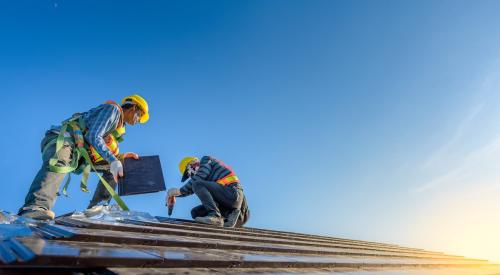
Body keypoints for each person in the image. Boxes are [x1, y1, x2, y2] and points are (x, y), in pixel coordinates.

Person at [18, 94, 150, 220]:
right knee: (59, 164)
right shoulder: (113, 110)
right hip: (63, 139)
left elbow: (101, 148)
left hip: (77, 150)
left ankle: (98, 209)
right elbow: (93, 135)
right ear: (134, 107)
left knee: (119, 166)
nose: (138, 120)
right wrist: (113, 160)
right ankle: (34, 207)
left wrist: (120, 158)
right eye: (140, 116)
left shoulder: (116, 127)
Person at [167, 156, 250, 227]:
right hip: (228, 203)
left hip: (234, 196)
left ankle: (216, 216)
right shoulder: (206, 179)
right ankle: (227, 217)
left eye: (189, 173)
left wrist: (179, 191)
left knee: (197, 184)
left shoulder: (206, 160)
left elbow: (199, 177)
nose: (191, 176)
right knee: (195, 213)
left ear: (192, 164)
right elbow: (192, 188)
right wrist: (175, 195)